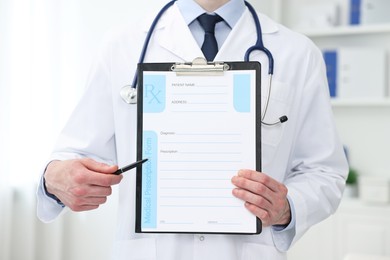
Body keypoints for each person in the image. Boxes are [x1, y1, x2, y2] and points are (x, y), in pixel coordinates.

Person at [37, 0, 349, 259]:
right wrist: (55, 179)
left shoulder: (296, 52)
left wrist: (285, 207)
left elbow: (324, 172)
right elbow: (73, 156)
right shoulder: (122, 45)